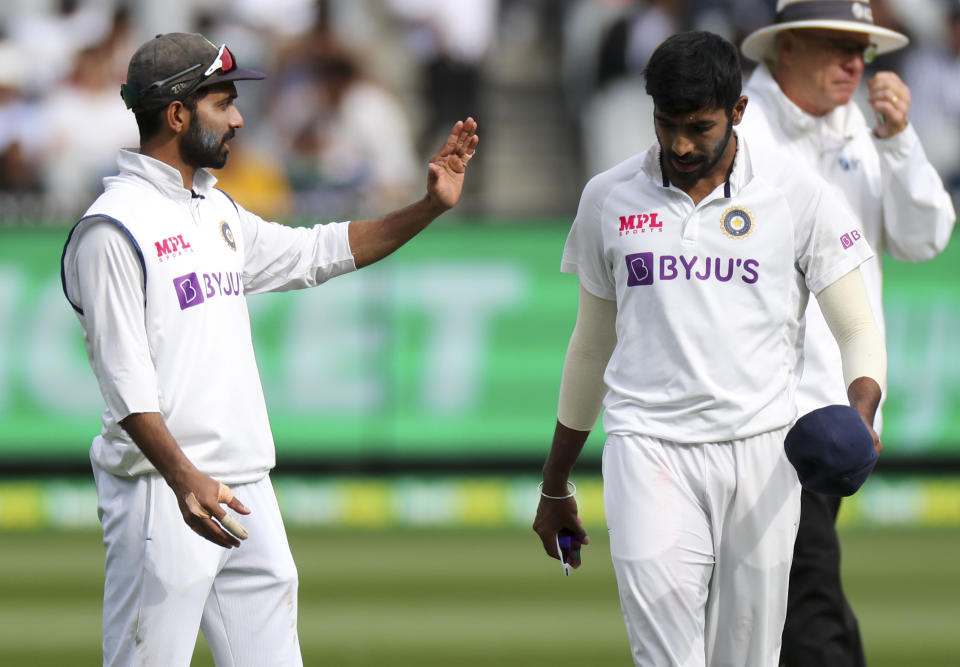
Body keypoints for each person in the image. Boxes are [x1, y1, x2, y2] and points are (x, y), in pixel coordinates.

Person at [60, 32, 477, 667]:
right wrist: (184, 479)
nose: (238, 119)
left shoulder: (214, 210)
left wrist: (427, 207)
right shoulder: (112, 228)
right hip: (163, 492)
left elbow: (317, 252)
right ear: (177, 114)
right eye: (222, 103)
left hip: (243, 488)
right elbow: (124, 381)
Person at [532, 30, 886, 667]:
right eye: (667, 125)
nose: (680, 145)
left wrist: (860, 414)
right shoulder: (608, 197)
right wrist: (555, 482)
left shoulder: (796, 194)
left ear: (738, 112)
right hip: (648, 448)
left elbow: (858, 329)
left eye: (699, 126)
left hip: (762, 455)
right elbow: (591, 347)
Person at [738, 2, 956, 665]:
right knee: (808, 604)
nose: (857, 63)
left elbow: (926, 239)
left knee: (781, 606)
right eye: (839, 46)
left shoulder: (864, 131)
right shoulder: (740, 132)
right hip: (758, 416)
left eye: (864, 49)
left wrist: (899, 140)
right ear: (788, 45)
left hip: (838, 414)